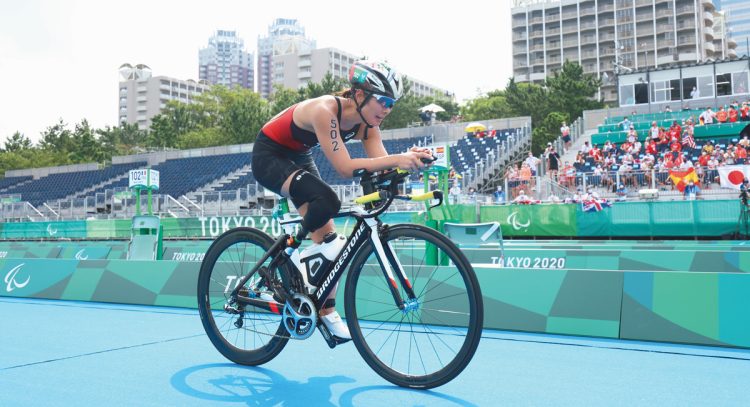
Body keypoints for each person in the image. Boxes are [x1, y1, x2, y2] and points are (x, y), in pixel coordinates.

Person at [250, 59, 433, 341]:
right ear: (359, 95)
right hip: (270, 154)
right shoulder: (326, 110)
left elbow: (380, 163)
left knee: (330, 241)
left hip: (298, 155)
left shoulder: (368, 125)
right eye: (383, 101)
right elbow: (345, 168)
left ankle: (326, 310)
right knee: (327, 200)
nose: (387, 109)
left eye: (391, 104)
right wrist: (398, 159)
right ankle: (291, 255)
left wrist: (411, 159)